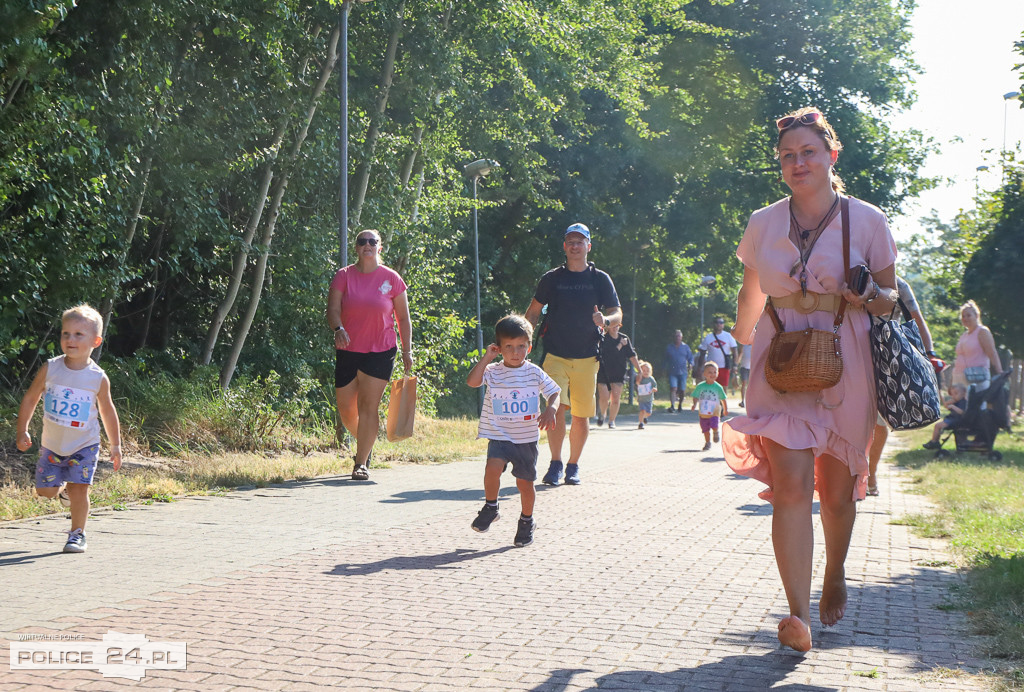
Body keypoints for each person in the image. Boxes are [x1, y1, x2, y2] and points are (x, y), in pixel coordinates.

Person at [722, 106, 900, 652]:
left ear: (831, 155)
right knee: (793, 487)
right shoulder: (762, 222)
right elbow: (751, 292)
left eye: (809, 153)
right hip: (780, 362)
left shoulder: (867, 220)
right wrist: (740, 341)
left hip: (846, 360)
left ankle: (836, 571)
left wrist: (868, 296)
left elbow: (892, 301)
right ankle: (796, 615)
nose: (798, 163)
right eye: (788, 156)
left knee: (837, 490)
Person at [16, 304, 123, 553]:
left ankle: (77, 534)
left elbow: (107, 411)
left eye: (78, 334)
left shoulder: (97, 377)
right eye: (66, 333)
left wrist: (115, 444)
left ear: (95, 341)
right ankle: (63, 492)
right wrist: (23, 429)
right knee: (46, 491)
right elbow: (31, 398)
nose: (70, 339)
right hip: (52, 445)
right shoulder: (51, 368)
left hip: (84, 444)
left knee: (80, 488)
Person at [525, 222, 622, 486]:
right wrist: (524, 340)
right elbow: (533, 312)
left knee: (580, 414)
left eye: (580, 242)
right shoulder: (552, 278)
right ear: (564, 246)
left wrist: (607, 319)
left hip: (588, 356)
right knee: (556, 407)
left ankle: (573, 465)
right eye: (571, 241)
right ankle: (555, 463)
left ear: (588, 246)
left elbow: (617, 313)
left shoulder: (599, 279)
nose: (575, 246)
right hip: (554, 354)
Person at [466, 315, 561, 547]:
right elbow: (472, 382)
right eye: (508, 347)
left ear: (528, 346)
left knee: (524, 484)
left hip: (525, 438)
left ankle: (527, 521)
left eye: (521, 346)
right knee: (492, 468)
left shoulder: (534, 372)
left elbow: (554, 392)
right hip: (499, 434)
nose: (515, 352)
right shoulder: (492, 370)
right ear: (499, 348)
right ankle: (491, 506)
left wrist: (551, 409)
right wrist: (487, 356)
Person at [327, 229, 413, 482]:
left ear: (379, 247)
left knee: (368, 406)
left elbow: (403, 318)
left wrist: (408, 350)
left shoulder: (392, 278)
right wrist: (338, 328)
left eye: (372, 241)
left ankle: (361, 462)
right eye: (362, 242)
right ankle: (367, 442)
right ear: (356, 248)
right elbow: (332, 310)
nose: (367, 245)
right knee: (345, 409)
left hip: (381, 350)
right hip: (348, 348)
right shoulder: (344, 276)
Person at [866, 276, 939, 496]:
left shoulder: (899, 285)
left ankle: (871, 471)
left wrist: (930, 354)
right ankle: (854, 473)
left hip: (891, 358)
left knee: (880, 424)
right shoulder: (852, 277)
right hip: (856, 354)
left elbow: (916, 319)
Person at [595, 321, 640, 429]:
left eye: (617, 326)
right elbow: (609, 354)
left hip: (618, 372)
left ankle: (612, 421)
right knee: (604, 397)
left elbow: (632, 356)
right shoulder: (604, 338)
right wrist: (620, 344)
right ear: (608, 327)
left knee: (615, 398)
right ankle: (602, 414)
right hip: (604, 372)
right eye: (613, 326)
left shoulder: (624, 338)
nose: (615, 328)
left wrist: (639, 370)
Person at [951, 300, 1003, 393]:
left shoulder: (982, 332)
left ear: (977, 316)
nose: (965, 318)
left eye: (968, 315)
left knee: (976, 406)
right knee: (959, 407)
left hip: (977, 378)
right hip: (959, 378)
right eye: (963, 316)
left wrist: (1000, 374)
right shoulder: (964, 335)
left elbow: (992, 353)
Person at [691, 362, 728, 451]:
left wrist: (725, 409)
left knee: (714, 424)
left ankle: (715, 432)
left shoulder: (718, 387)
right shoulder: (700, 386)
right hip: (703, 412)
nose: (712, 374)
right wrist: (694, 404)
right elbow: (695, 396)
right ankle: (707, 443)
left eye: (714, 372)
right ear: (704, 374)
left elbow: (723, 399)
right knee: (705, 429)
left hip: (715, 411)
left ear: (718, 373)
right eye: (710, 372)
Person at [922, 383, 968, 450]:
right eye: (953, 394)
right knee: (938, 426)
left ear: (963, 393)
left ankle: (934, 441)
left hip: (956, 420)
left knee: (938, 426)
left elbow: (962, 412)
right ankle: (935, 441)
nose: (954, 396)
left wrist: (953, 406)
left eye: (956, 393)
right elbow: (946, 406)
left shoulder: (963, 402)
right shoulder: (956, 401)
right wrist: (949, 402)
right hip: (952, 419)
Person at [697, 318, 738, 391]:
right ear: (713, 324)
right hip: (710, 367)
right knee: (710, 388)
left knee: (723, 388)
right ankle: (713, 402)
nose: (719, 324)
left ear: (723, 325)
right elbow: (702, 353)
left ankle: (722, 403)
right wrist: (700, 367)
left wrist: (735, 365)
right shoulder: (708, 337)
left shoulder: (728, 336)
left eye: (721, 322)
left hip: (724, 367)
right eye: (717, 322)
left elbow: (735, 352)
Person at [663, 330, 694, 412]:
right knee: (673, 388)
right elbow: (665, 359)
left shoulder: (686, 347)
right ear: (674, 337)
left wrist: (690, 364)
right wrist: (664, 368)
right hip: (672, 372)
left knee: (682, 390)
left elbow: (690, 358)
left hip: (683, 372)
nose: (677, 338)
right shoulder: (669, 347)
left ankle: (680, 404)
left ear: (681, 337)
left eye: (679, 336)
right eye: (676, 336)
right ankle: (672, 405)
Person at [635, 361, 657, 429]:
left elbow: (655, 386)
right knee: (642, 410)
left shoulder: (651, 379)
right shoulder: (640, 378)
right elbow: (637, 383)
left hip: (649, 399)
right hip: (641, 399)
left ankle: (645, 417)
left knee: (649, 412)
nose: (646, 372)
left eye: (647, 371)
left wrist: (654, 389)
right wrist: (639, 377)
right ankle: (641, 423)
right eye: (644, 370)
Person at [737, 344, 751, 408]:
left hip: (752, 367)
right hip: (744, 367)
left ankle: (751, 401)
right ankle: (743, 401)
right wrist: (736, 365)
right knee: (744, 383)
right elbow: (740, 354)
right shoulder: (743, 345)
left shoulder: (755, 344)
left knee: (751, 385)